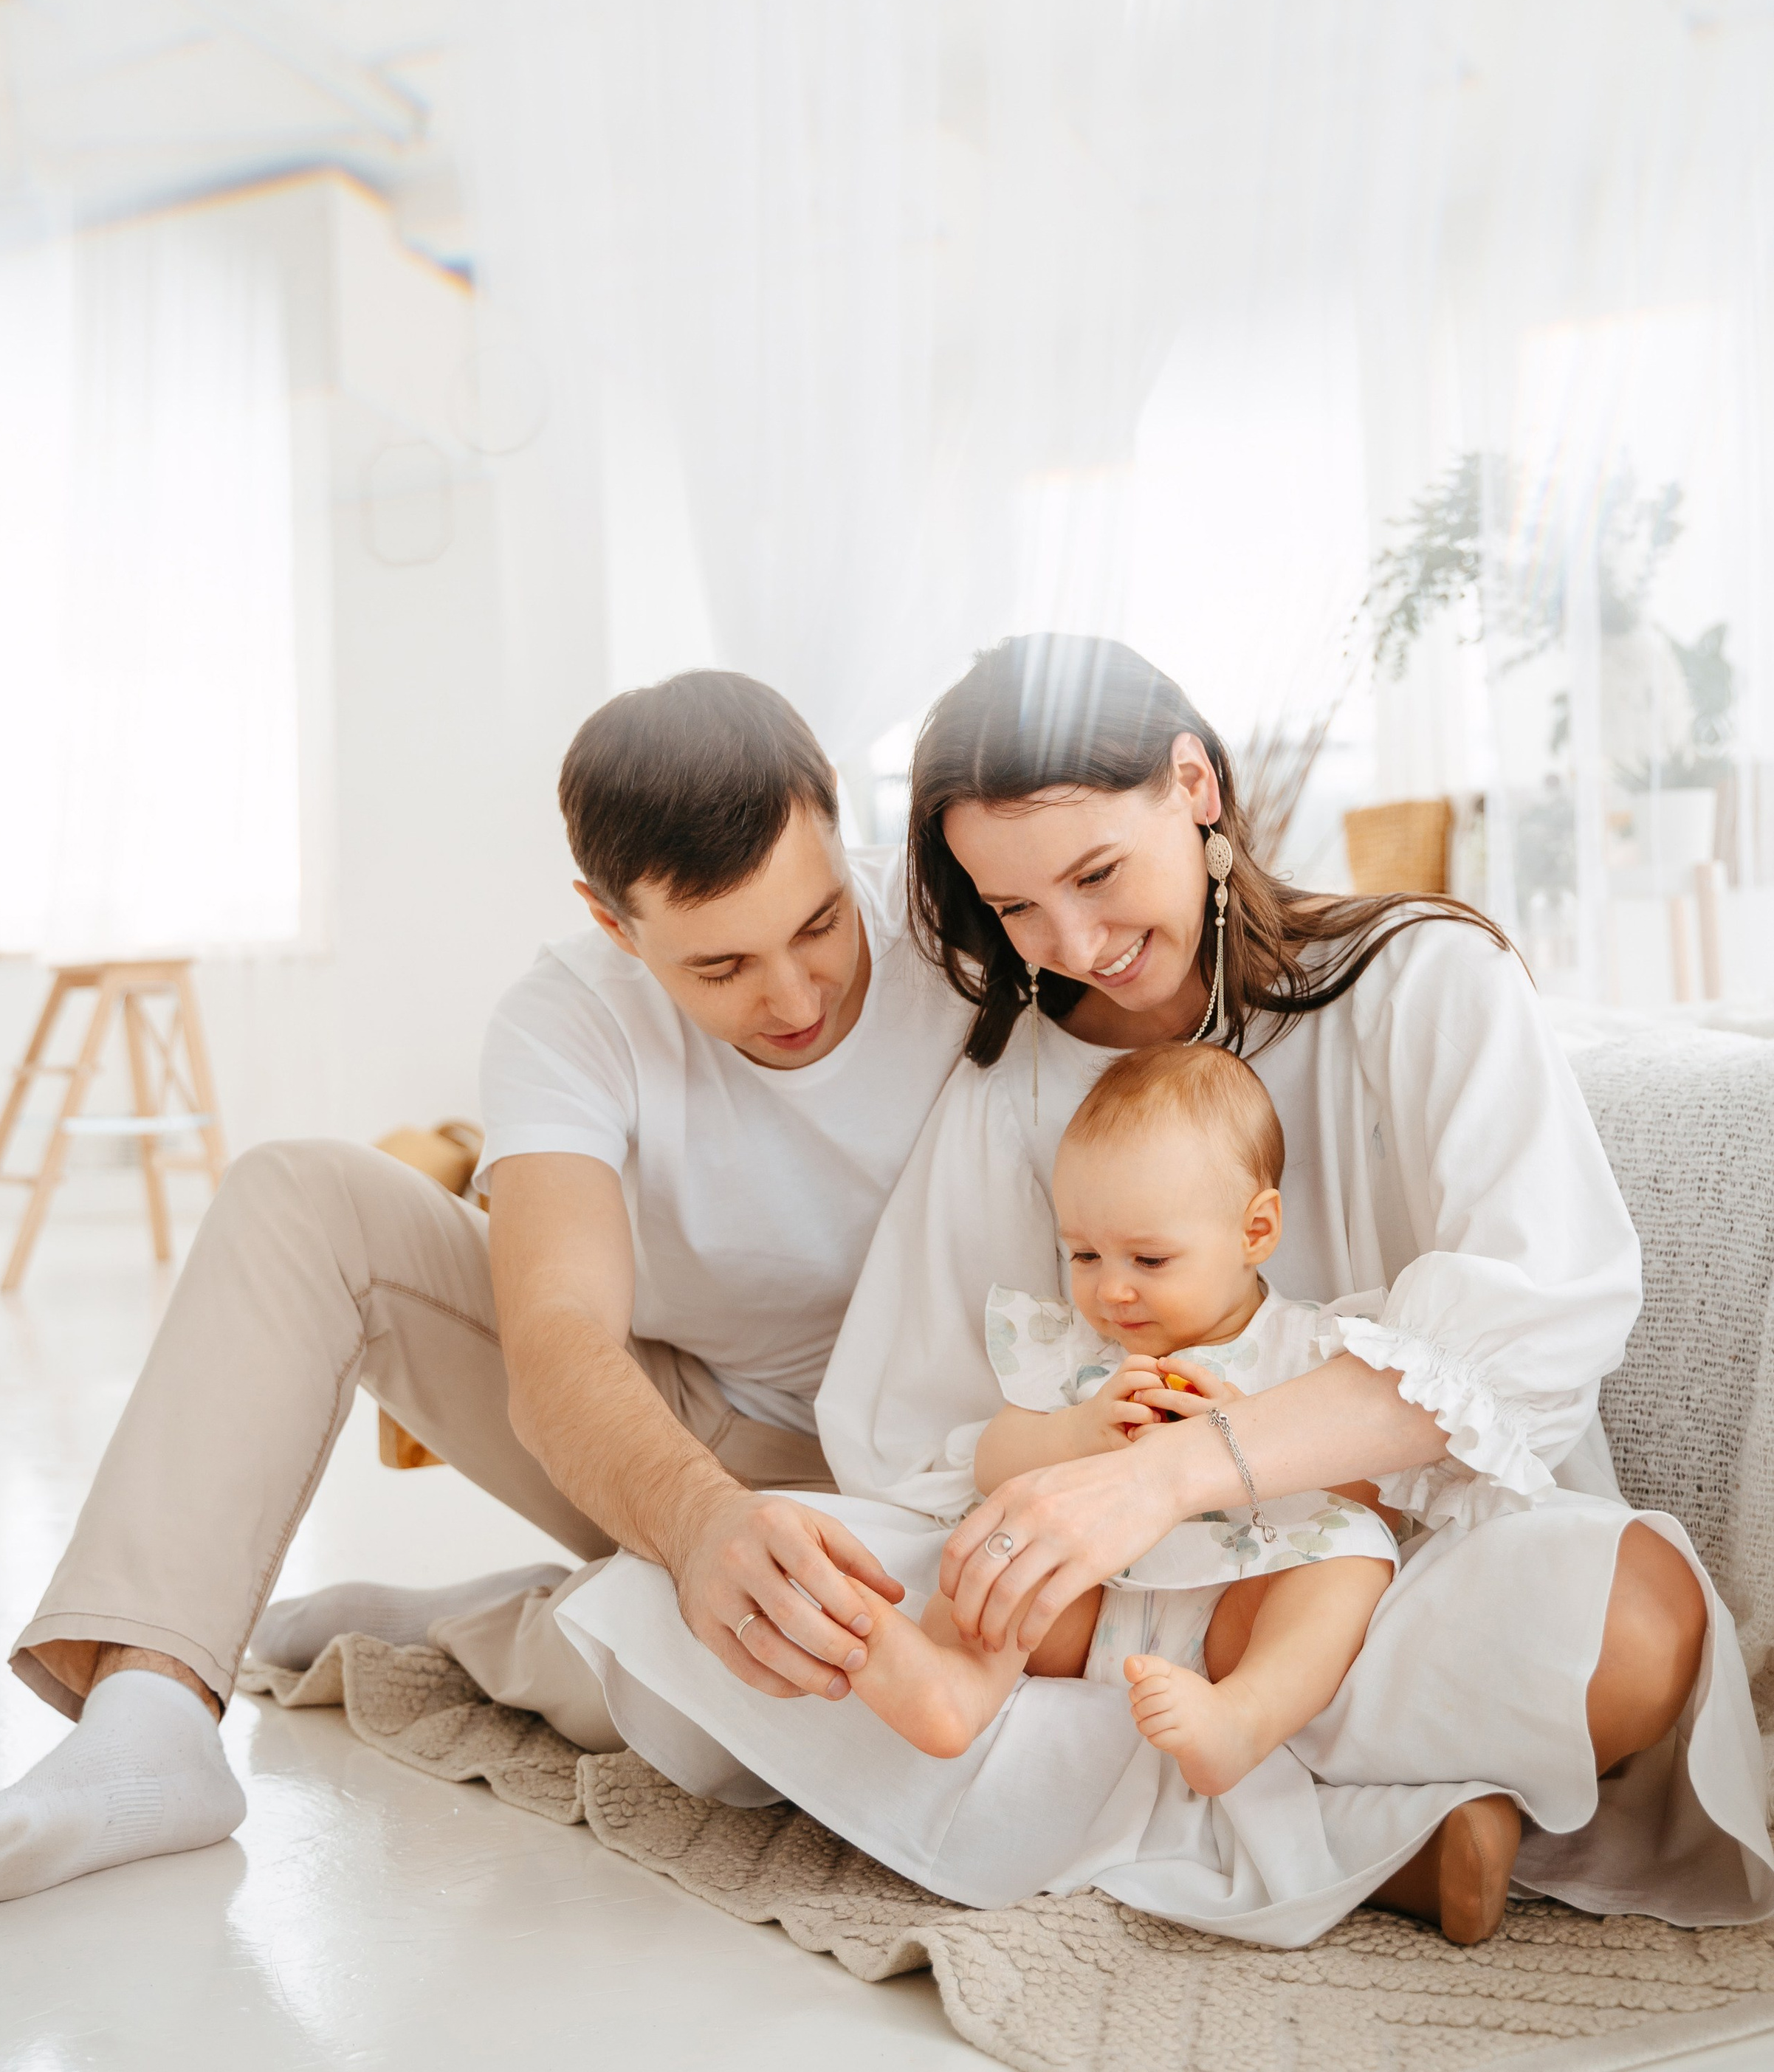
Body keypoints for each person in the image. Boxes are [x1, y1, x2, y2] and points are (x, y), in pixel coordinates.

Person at [554, 633, 1774, 1949]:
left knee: (1640, 1622)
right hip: (1134, 1619)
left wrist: (1181, 1472)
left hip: (1399, 1584)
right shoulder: (1015, 1085)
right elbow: (910, 1430)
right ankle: (1373, 1827)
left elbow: (1541, 1312)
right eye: (1019, 910)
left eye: (1095, 873)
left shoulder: (1422, 979)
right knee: (701, 1628)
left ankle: (1210, 1802)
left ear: (1194, 787)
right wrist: (1067, 1472)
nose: (1075, 941)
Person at [0, 670, 972, 1904]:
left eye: (816, 927)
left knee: (732, 1724)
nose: (795, 998)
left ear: (837, 813)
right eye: (723, 966)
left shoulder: (958, 933)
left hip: (930, 1466)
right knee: (303, 1195)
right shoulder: (567, 1020)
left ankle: (461, 1630)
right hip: (681, 1432)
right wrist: (697, 1526)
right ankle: (149, 1716)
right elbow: (558, 1334)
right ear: (611, 921)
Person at [834, 1040, 1403, 1787]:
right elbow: (991, 1457)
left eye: (1149, 1260)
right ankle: (960, 1683)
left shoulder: (1308, 1350)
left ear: (1254, 1232)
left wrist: (1252, 1435)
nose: (1111, 1293)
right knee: (1000, 1530)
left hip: (1236, 1616)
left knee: (1354, 1551)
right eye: (1084, 1256)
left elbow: (1378, 1496)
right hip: (1082, 1613)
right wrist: (1077, 1432)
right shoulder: (1075, 1348)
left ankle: (1244, 1717)